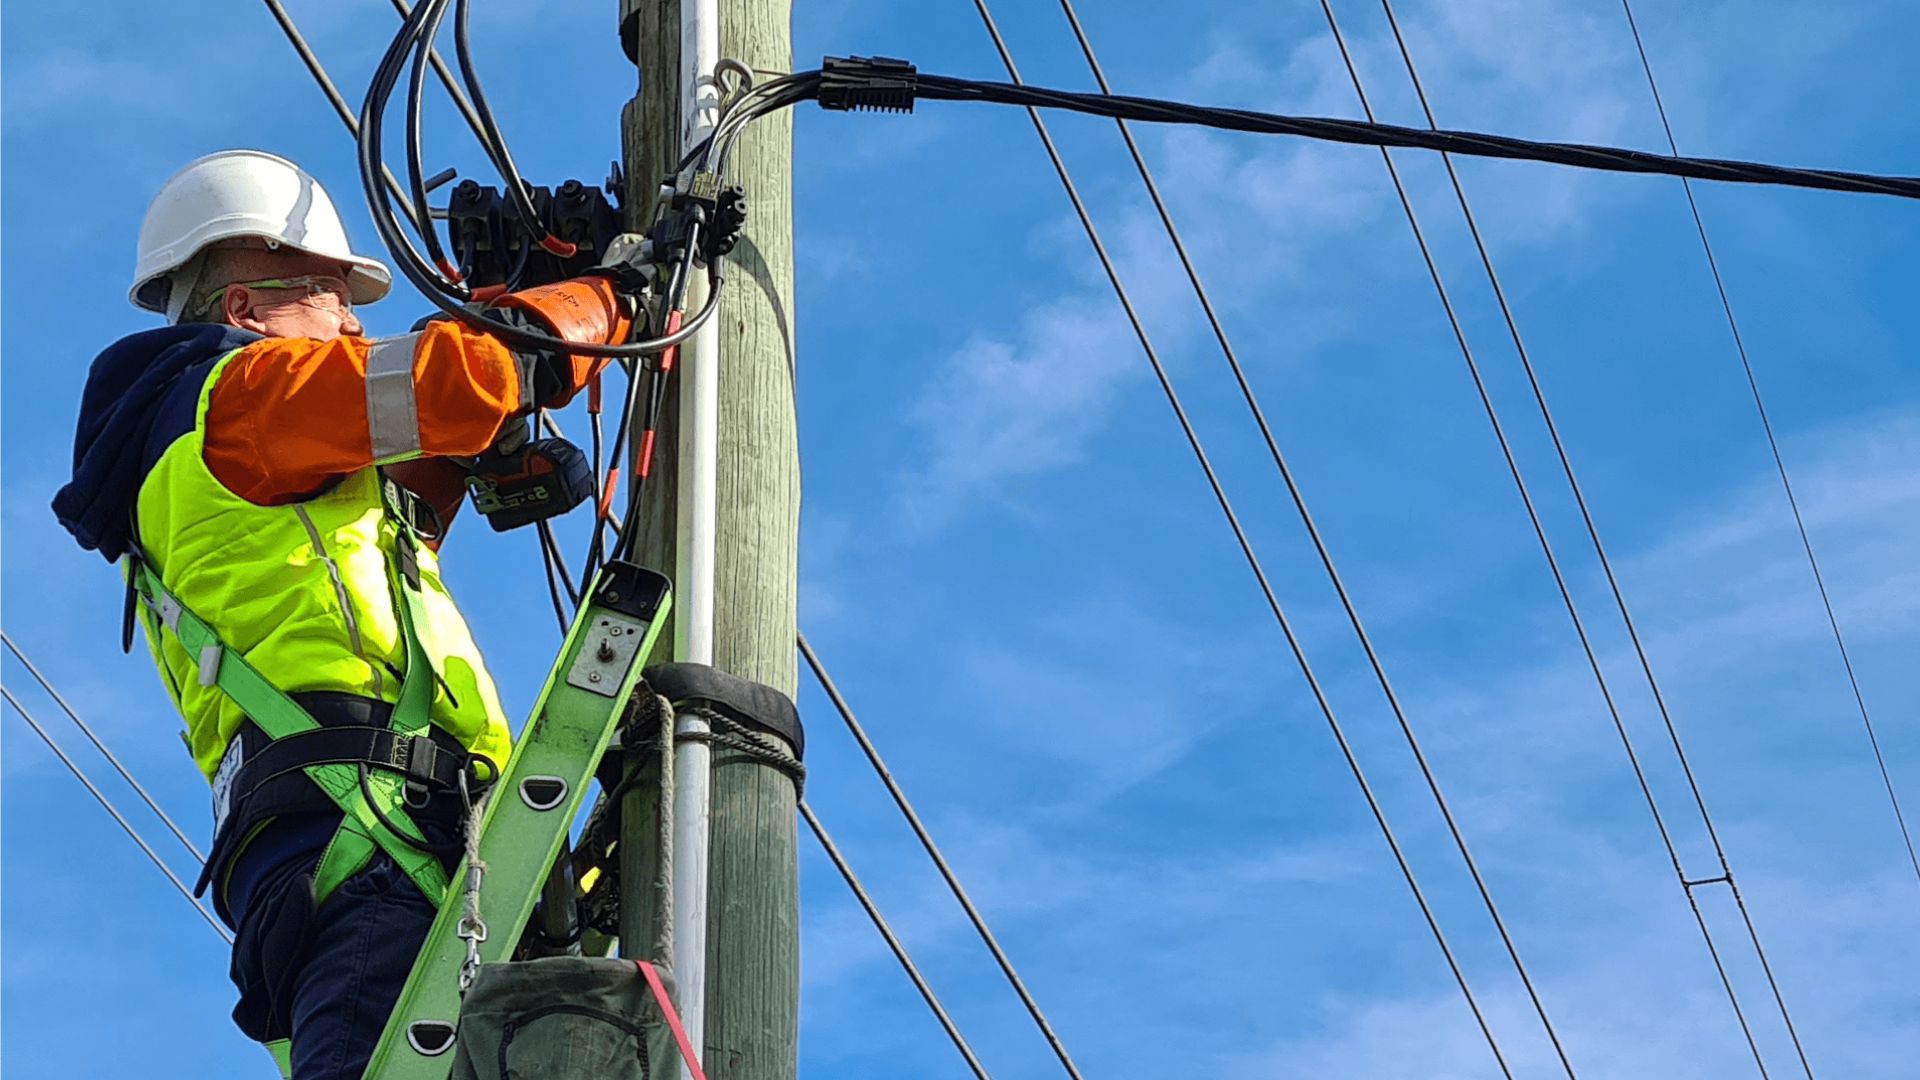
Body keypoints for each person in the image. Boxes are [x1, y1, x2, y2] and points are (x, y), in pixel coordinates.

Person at [52, 149, 629, 1080]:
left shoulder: (245, 461)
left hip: (370, 831)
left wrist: (476, 439)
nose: (355, 321)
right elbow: (462, 380)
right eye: (328, 295)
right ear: (248, 312)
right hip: (362, 833)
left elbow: (392, 520)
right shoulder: (235, 401)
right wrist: (618, 299)